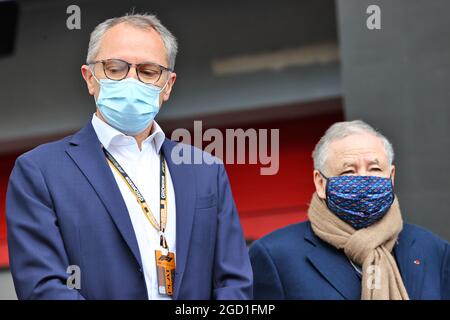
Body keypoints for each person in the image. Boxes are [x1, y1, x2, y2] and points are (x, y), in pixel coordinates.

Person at [6, 13, 252, 300]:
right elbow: (43, 288)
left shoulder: (205, 170)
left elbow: (233, 283)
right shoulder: (40, 172)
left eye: (148, 71)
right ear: (90, 78)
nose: (131, 80)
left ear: (168, 86)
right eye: (115, 68)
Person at [250, 120, 450, 300]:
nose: (364, 179)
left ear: (391, 176)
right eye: (348, 171)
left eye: (374, 169)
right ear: (320, 183)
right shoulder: (276, 256)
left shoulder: (432, 250)